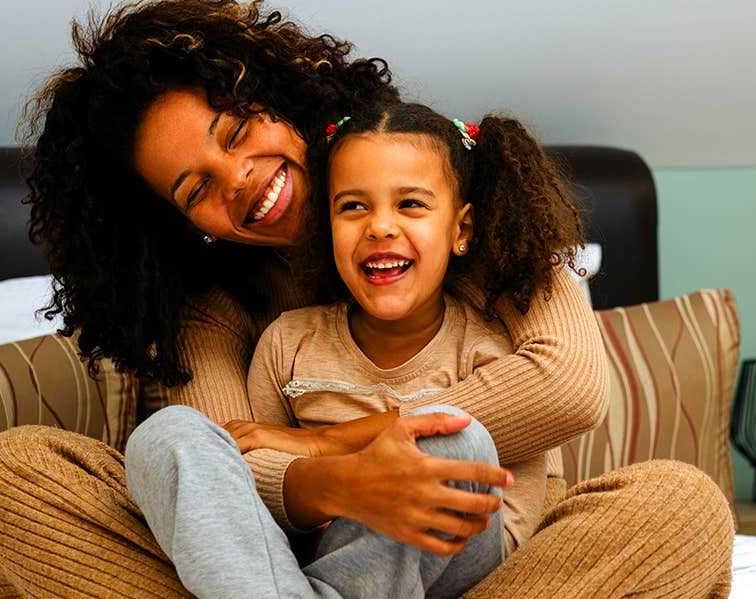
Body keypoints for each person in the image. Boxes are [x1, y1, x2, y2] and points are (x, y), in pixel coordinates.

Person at [0, 1, 735, 597]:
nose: (238, 180)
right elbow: (217, 476)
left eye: (235, 133)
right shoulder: (217, 314)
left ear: (279, 95)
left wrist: (323, 440)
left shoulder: (471, 213)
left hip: (494, 575)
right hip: (291, 572)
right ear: (179, 224)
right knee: (17, 474)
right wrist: (333, 480)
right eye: (195, 186)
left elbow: (566, 386)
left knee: (679, 504)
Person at [126, 102, 586, 597]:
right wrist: (339, 486)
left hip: (462, 568)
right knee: (165, 435)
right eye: (353, 206)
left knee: (455, 438)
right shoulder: (287, 342)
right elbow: (244, 483)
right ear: (326, 227)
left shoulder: (493, 337)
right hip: (315, 571)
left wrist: (326, 444)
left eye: (410, 204)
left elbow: (557, 413)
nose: (380, 227)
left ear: (462, 230)